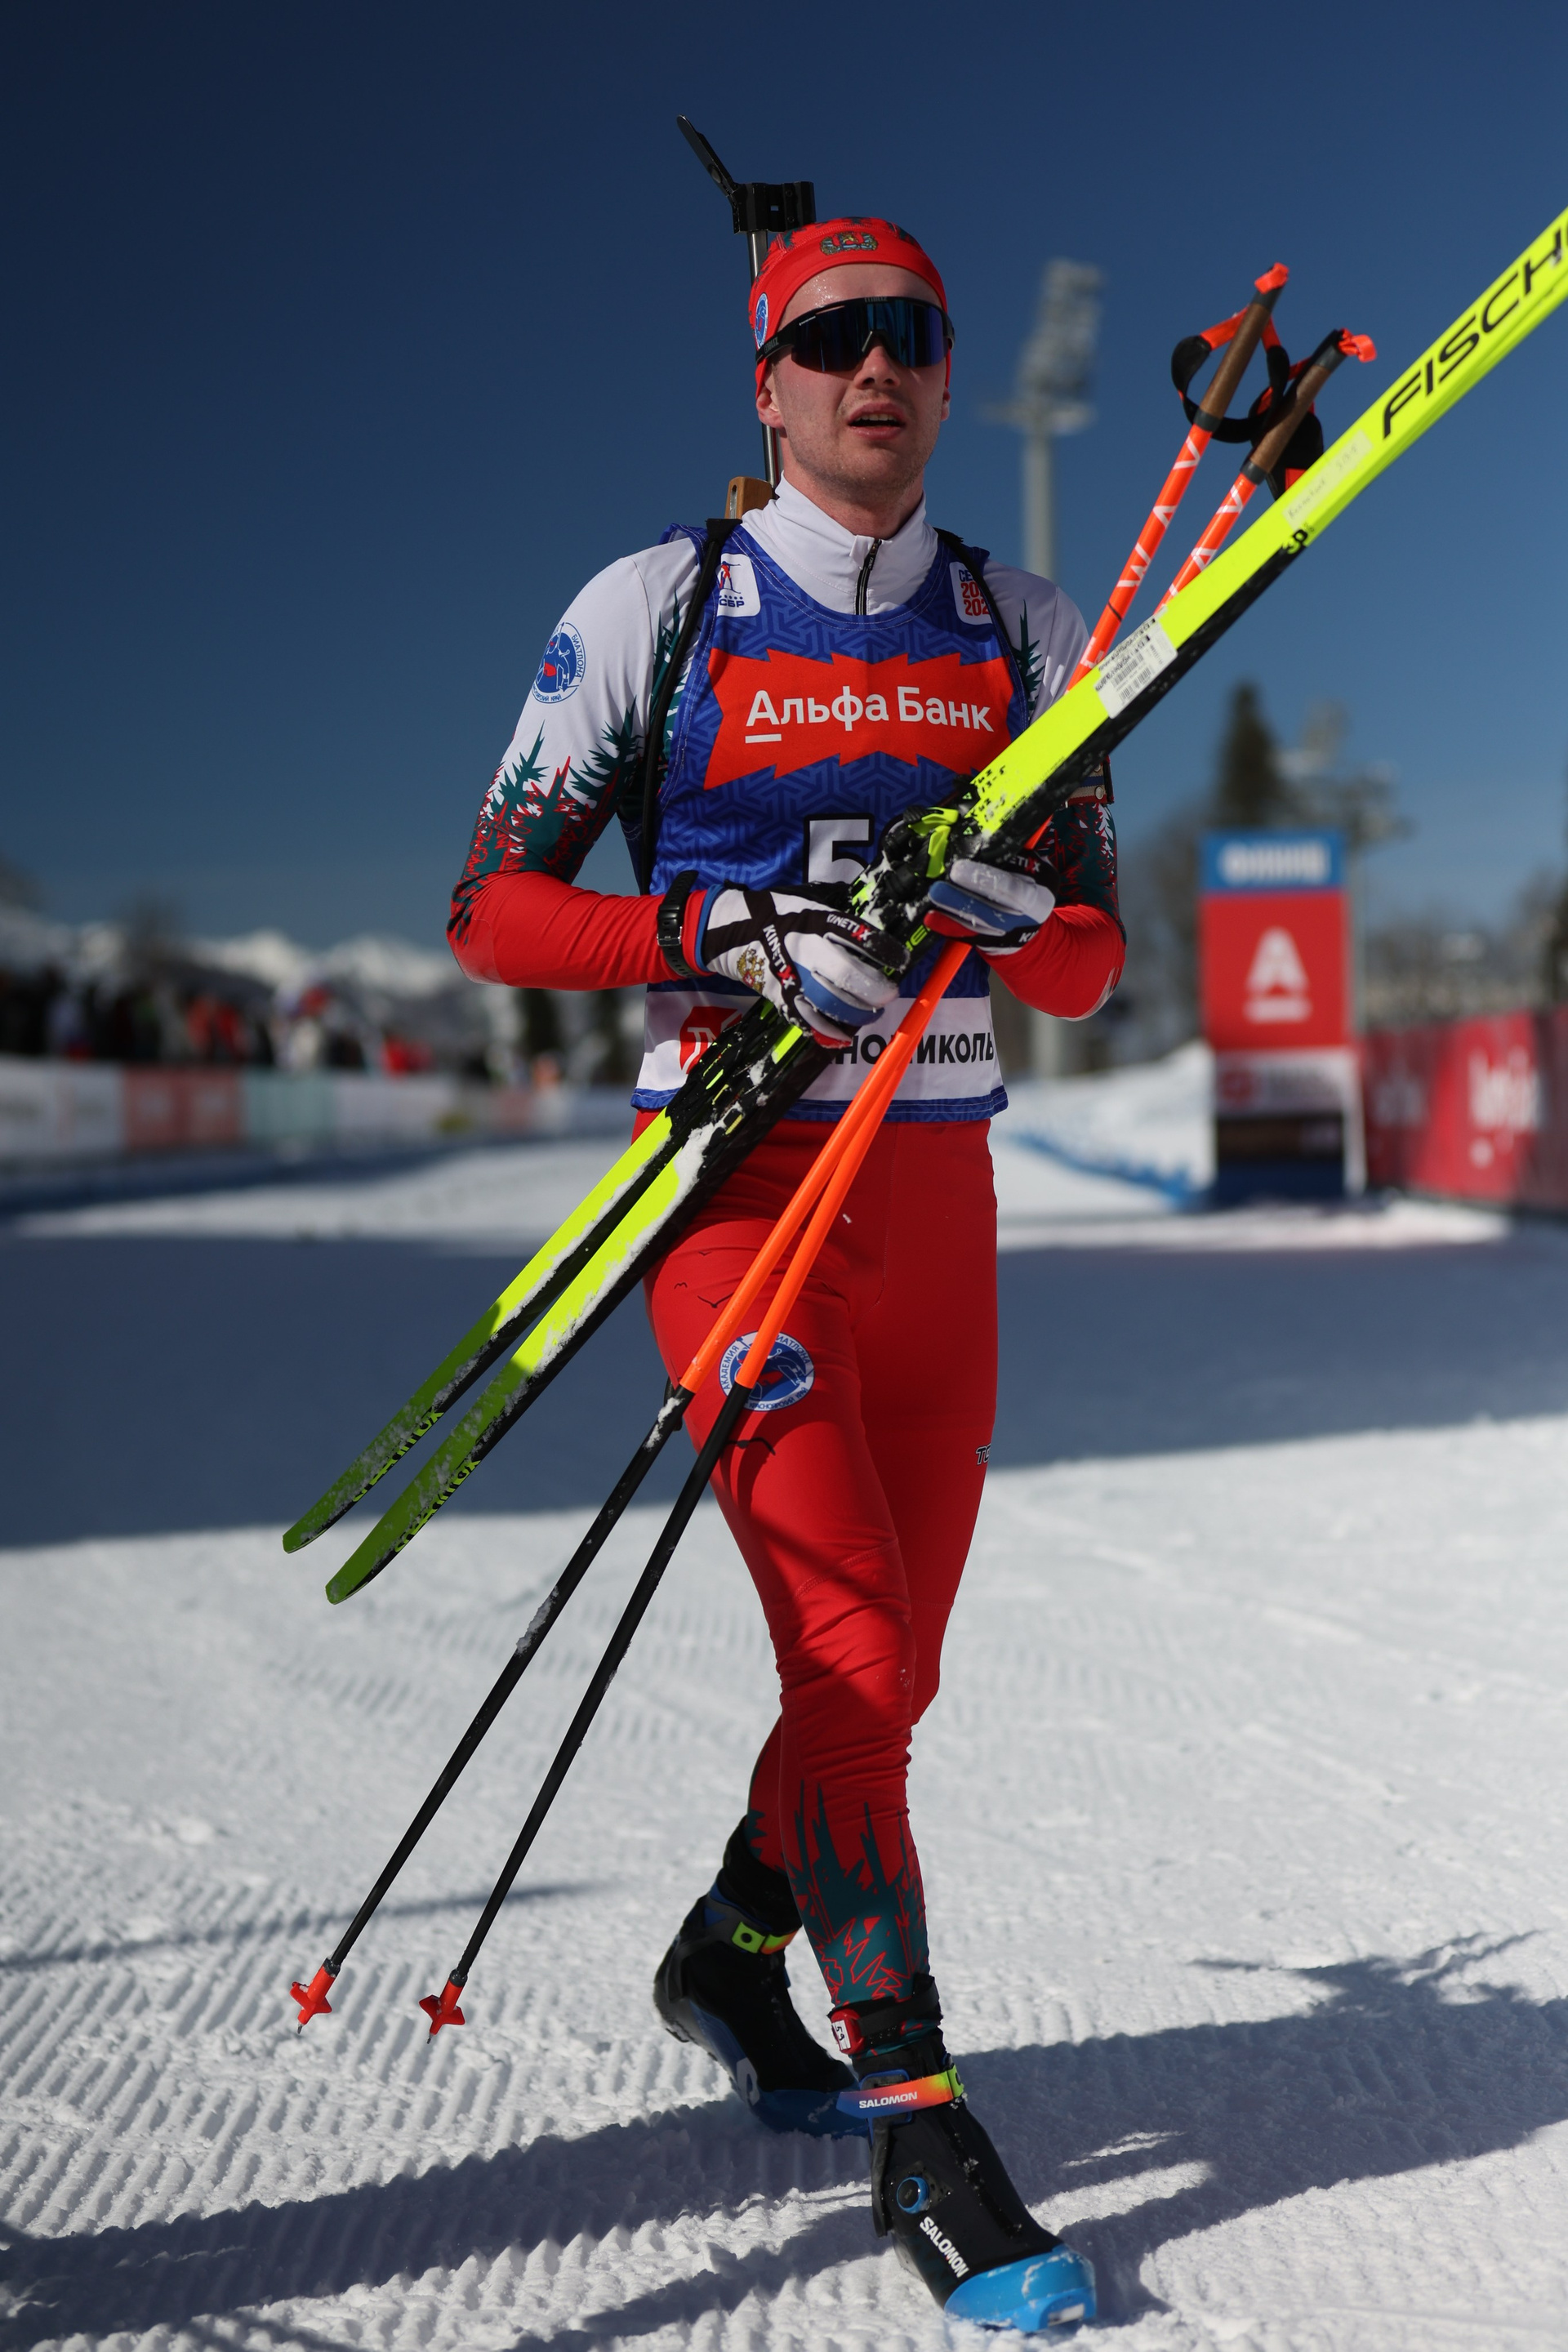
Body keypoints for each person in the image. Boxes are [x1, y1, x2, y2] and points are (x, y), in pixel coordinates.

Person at [450, 215, 1120, 2331]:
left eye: (909, 331)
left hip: (940, 1205)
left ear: (948, 366)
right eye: (829, 338)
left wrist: (1025, 915)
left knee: (890, 1677)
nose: (874, 367)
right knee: (847, 1650)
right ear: (768, 381)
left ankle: (736, 1952)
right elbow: (491, 907)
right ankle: (925, 2125)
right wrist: (714, 937)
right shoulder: (660, 606)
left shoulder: (1023, 623)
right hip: (740, 1199)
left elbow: (1092, 962)